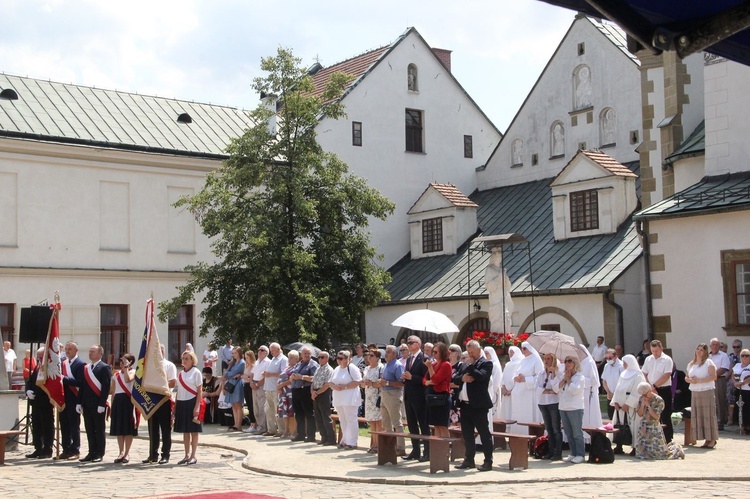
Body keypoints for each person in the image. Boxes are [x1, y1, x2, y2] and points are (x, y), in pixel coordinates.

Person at [455, 340, 494, 471]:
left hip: (478, 405)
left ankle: (488, 461)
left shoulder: (486, 363)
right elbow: (455, 378)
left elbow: (481, 377)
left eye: (472, 352)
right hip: (465, 405)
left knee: (484, 433)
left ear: (479, 350)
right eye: (469, 352)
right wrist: (462, 379)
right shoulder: (466, 364)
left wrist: (471, 366)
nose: (471, 355)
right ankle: (469, 460)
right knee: (467, 434)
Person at [144, 344, 177, 465]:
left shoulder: (169, 365)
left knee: (165, 429)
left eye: (160, 350)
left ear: (163, 351)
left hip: (164, 399)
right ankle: (153, 454)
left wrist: (159, 385)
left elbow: (173, 382)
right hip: (152, 399)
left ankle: (165, 455)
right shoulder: (150, 367)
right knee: (152, 429)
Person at [78, 344, 112, 462]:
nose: (90, 353)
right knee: (89, 429)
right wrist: (79, 402)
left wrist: (102, 404)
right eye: (89, 351)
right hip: (87, 404)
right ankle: (91, 452)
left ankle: (99, 453)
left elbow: (106, 387)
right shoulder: (86, 368)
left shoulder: (104, 367)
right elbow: (82, 386)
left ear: (100, 354)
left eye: (93, 351)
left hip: (98, 405)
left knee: (99, 429)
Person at [635, 381, 684, 459]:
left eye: (645, 394)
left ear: (650, 391)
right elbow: (640, 414)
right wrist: (642, 405)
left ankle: (677, 451)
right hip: (643, 426)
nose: (644, 396)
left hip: (653, 426)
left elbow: (656, 417)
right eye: (642, 394)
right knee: (641, 454)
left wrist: (648, 405)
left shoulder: (658, 400)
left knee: (660, 455)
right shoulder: (641, 399)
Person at [401, 335, 429, 461]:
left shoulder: (424, 358)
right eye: (408, 342)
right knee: (412, 425)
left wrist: (412, 378)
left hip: (420, 396)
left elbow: (426, 379)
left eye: (411, 342)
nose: (409, 345)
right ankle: (415, 450)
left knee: (423, 424)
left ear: (418, 344)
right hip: (409, 395)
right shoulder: (409, 359)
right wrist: (405, 377)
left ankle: (427, 451)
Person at [611, 354, 646, 455]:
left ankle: (635, 447)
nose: (624, 364)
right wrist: (616, 401)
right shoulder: (623, 374)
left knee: (633, 425)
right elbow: (618, 388)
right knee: (619, 423)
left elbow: (637, 391)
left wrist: (628, 403)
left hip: (630, 406)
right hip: (620, 405)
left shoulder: (638, 375)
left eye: (625, 362)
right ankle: (619, 445)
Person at [553, 355, 585, 464]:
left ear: (575, 363)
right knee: (569, 433)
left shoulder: (580, 377)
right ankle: (573, 453)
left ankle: (580, 454)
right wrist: (564, 380)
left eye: (570, 361)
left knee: (577, 432)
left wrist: (569, 380)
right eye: (566, 361)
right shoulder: (563, 376)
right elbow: (555, 389)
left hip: (575, 407)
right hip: (563, 407)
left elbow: (575, 391)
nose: (567, 363)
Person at [641, 339, 674, 442]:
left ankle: (668, 438)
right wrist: (649, 386)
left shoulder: (667, 359)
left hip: (663, 389)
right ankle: (654, 437)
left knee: (665, 413)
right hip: (650, 389)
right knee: (651, 413)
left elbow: (667, 375)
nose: (655, 353)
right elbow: (644, 373)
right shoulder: (648, 359)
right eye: (653, 351)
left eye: (656, 351)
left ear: (661, 349)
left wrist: (655, 386)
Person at [686, 343, 718, 448]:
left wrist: (700, 380)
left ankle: (712, 439)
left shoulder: (708, 362)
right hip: (695, 391)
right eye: (698, 349)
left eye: (701, 350)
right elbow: (687, 377)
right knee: (699, 414)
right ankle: (706, 439)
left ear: (705, 352)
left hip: (706, 390)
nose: (699, 351)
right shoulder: (691, 364)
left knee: (708, 414)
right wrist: (689, 380)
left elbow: (714, 376)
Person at [174, 350, 202, 465]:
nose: (184, 360)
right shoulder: (180, 373)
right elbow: (178, 391)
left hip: (192, 402)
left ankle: (193, 455)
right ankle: (186, 455)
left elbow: (199, 391)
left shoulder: (196, 372)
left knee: (193, 431)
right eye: (183, 358)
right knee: (185, 431)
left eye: (187, 358)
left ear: (192, 360)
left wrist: (197, 407)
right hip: (181, 402)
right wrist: (175, 406)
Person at [330, 350, 362, 449]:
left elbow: (358, 381)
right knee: (343, 419)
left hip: (350, 397)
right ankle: (345, 439)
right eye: (337, 358)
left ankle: (352, 442)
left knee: (351, 419)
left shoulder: (352, 368)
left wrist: (345, 386)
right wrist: (334, 387)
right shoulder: (336, 369)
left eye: (341, 358)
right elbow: (330, 382)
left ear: (348, 359)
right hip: (339, 398)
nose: (338, 360)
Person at [25, 348, 53, 459]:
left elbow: (49, 385)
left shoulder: (50, 367)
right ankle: (38, 448)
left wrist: (35, 392)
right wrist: (27, 390)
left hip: (45, 402)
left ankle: (47, 449)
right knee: (36, 426)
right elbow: (30, 381)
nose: (39, 358)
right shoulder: (37, 366)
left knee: (46, 426)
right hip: (35, 402)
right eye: (38, 356)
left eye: (41, 356)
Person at [109, 353, 137, 463]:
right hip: (118, 401)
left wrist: (126, 368)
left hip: (128, 400)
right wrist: (112, 406)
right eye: (121, 361)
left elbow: (127, 380)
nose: (121, 363)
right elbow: (113, 392)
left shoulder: (133, 372)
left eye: (124, 361)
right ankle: (120, 452)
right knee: (119, 428)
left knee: (128, 428)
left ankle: (127, 453)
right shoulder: (116, 375)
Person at [59, 341, 85, 460]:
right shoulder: (62, 363)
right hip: (63, 399)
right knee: (64, 425)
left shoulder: (81, 364)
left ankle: (75, 449)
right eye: (66, 348)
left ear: (76, 350)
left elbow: (80, 383)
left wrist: (65, 379)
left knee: (74, 426)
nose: (67, 351)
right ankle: (66, 448)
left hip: (74, 399)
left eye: (70, 349)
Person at [378, 345, 406, 455]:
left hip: (393, 394)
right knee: (386, 421)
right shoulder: (386, 365)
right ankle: (390, 446)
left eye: (389, 352)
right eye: (386, 351)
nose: (386, 354)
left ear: (395, 354)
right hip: (384, 394)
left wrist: (388, 383)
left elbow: (401, 383)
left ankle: (401, 447)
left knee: (396, 422)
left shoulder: (397, 365)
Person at [510, 341, 543, 432]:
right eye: (522, 349)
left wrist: (526, 379)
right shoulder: (523, 360)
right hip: (519, 394)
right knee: (519, 415)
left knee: (528, 415)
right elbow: (517, 373)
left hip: (529, 394)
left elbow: (540, 377)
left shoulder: (536, 359)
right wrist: (516, 378)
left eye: (524, 348)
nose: (522, 351)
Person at [536, 352, 563, 460]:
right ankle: (550, 451)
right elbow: (537, 389)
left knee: (556, 428)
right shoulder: (541, 373)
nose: (546, 361)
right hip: (543, 403)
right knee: (549, 428)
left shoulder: (558, 373)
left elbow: (556, 389)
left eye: (548, 359)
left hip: (554, 403)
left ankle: (558, 452)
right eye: (545, 359)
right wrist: (548, 391)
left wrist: (553, 375)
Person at [424, 342, 452, 439]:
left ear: (442, 353)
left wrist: (430, 368)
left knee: (442, 425)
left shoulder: (446, 365)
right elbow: (424, 379)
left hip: (442, 397)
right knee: (436, 425)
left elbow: (436, 379)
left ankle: (445, 449)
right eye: (433, 352)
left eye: (436, 352)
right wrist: (429, 381)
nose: (434, 354)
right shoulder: (434, 363)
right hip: (433, 397)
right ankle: (438, 449)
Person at [290, 346, 318, 442]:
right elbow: (293, 375)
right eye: (305, 353)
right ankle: (300, 434)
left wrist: (301, 377)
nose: (306, 355)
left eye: (308, 353)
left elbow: (314, 378)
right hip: (296, 389)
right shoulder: (298, 364)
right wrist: (293, 377)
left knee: (309, 413)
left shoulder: (313, 364)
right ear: (301, 354)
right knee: (298, 413)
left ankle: (311, 435)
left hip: (305, 390)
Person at [262, 343, 288, 436]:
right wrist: (266, 374)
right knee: (269, 410)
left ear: (278, 349)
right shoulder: (273, 359)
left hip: (276, 388)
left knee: (278, 410)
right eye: (271, 350)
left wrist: (270, 374)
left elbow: (283, 373)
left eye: (273, 350)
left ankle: (281, 430)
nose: (271, 352)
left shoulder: (283, 359)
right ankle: (271, 429)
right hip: (268, 387)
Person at [579, 344, 603, 441]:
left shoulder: (589, 362)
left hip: (589, 393)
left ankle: (590, 439)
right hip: (580, 393)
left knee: (589, 416)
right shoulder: (578, 362)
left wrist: (580, 379)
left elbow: (594, 381)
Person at [311, 350, 335, 446]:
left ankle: (331, 438)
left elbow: (327, 385)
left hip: (323, 393)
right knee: (318, 416)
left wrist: (316, 392)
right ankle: (323, 437)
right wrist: (312, 392)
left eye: (322, 357)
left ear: (327, 359)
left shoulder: (329, 369)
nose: (320, 359)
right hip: (315, 393)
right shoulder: (318, 368)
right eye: (319, 357)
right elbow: (313, 381)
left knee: (326, 416)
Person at [362, 348, 384, 452]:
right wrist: (364, 383)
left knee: (378, 421)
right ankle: (374, 444)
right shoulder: (366, 368)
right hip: (368, 396)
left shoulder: (381, 368)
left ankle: (380, 444)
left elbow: (381, 383)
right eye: (368, 355)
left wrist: (372, 384)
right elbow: (362, 383)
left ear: (377, 358)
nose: (369, 357)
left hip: (377, 396)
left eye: (372, 355)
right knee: (371, 421)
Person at [246, 345, 270, 434]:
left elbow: (266, 376)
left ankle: (263, 427)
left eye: (262, 350)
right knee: (255, 408)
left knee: (261, 407)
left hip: (261, 385)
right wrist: (251, 383)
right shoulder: (257, 362)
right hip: (254, 385)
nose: (259, 351)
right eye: (259, 350)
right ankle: (259, 426)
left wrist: (257, 384)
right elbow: (252, 374)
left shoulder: (268, 362)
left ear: (266, 352)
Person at [709, 337, 731, 431]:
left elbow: (724, 368)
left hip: (719, 379)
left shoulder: (723, 355)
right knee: (710, 401)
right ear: (710, 346)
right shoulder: (707, 356)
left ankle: (720, 422)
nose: (715, 346)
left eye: (717, 344)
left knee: (719, 400)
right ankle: (711, 421)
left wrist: (713, 376)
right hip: (707, 381)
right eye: (713, 344)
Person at [276, 350, 298, 438]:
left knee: (292, 412)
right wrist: (278, 387)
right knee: (285, 412)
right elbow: (280, 378)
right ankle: (286, 430)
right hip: (283, 393)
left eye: (292, 357)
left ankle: (294, 431)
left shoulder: (296, 368)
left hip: (291, 392)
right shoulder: (286, 367)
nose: (290, 359)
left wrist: (281, 385)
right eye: (289, 357)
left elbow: (291, 380)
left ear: (296, 359)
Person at [223, 346, 245, 431]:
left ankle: (239, 424)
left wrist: (229, 374)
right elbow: (226, 372)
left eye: (235, 353)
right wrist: (228, 374)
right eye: (233, 353)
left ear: (239, 353)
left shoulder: (242, 363)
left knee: (238, 404)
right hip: (231, 383)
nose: (234, 355)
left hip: (237, 384)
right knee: (233, 404)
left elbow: (232, 373)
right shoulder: (233, 362)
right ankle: (235, 423)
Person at [500, 346, 522, 423]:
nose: (510, 354)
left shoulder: (520, 362)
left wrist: (512, 390)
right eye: (510, 352)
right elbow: (503, 377)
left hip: (515, 392)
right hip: (506, 392)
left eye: (512, 352)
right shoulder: (508, 364)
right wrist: (504, 389)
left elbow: (518, 377)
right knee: (506, 410)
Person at [601, 348, 624, 420]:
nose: (608, 360)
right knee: (611, 416)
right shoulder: (606, 366)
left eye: (610, 358)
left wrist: (615, 394)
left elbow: (622, 382)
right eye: (606, 358)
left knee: (620, 417)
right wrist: (608, 392)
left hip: (619, 395)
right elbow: (604, 381)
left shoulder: (621, 366)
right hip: (610, 395)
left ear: (615, 357)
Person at [732, 348, 750, 434]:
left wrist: (742, 383)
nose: (745, 357)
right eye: (743, 355)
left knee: (748, 408)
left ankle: (748, 426)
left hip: (748, 390)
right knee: (740, 408)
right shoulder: (737, 365)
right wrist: (735, 382)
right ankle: (741, 426)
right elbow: (732, 374)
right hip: (739, 390)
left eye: (747, 355)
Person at [483, 346, 503, 420]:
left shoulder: (495, 364)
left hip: (494, 390)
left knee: (494, 408)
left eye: (487, 353)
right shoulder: (485, 364)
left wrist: (493, 390)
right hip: (487, 389)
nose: (486, 355)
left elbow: (497, 379)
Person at [448, 344, 465, 426]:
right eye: (449, 350)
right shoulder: (446, 365)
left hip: (456, 395)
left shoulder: (461, 365)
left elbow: (460, 383)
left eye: (452, 350)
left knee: (458, 421)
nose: (450, 352)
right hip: (446, 395)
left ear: (458, 353)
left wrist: (447, 385)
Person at [241, 350, 257, 430]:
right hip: (246, 385)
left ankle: (254, 423)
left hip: (251, 385)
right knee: (249, 405)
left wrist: (245, 378)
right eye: (245, 358)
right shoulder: (247, 366)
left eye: (247, 358)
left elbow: (253, 378)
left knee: (252, 405)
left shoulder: (254, 366)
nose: (246, 359)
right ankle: (252, 423)